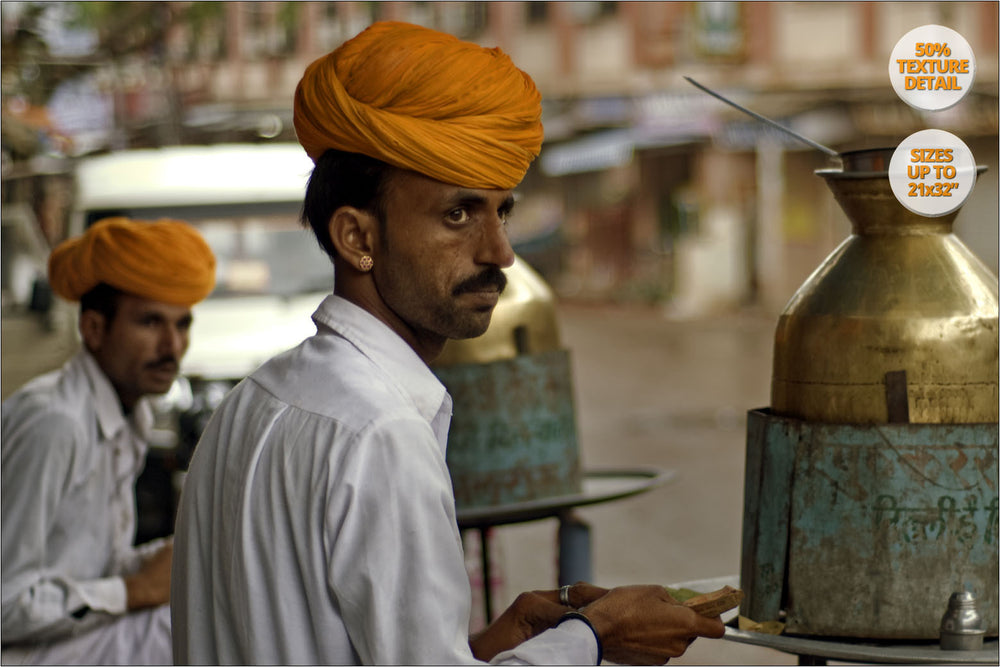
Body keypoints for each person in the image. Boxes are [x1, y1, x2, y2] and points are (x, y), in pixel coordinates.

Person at [171, 21, 725, 665]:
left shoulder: (252, 401)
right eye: (457, 215)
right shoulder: (379, 433)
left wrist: (488, 644)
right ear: (358, 238)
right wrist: (597, 639)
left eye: (503, 212)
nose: (500, 252)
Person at [2, 217, 216, 665]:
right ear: (94, 329)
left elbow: (94, 567)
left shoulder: (132, 412)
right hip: (28, 652)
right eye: (151, 322)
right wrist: (135, 590)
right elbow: (6, 605)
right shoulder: (54, 423)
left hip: (73, 637)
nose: (172, 346)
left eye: (182, 325)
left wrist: (188, 553)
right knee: (194, 628)